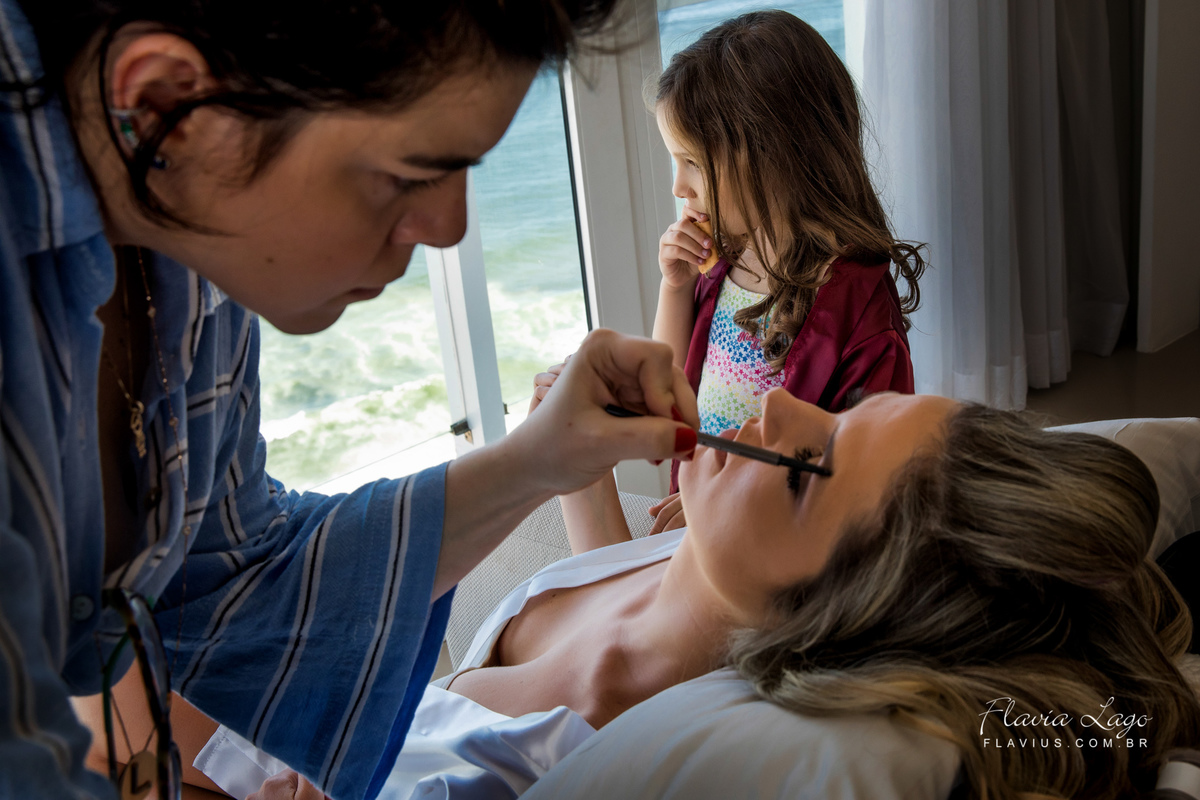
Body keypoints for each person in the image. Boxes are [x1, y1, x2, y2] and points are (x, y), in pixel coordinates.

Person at [0, 1, 703, 799]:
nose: (450, 228)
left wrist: (537, 460)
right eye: (408, 175)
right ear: (165, 103)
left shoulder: (191, 252)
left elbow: (230, 566)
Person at [198, 389, 1200, 799]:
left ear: (824, 614)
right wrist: (554, 470)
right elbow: (616, 599)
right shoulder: (678, 566)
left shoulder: (557, 752)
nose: (777, 400)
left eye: (808, 465)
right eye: (843, 410)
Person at [648, 10, 927, 525]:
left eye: (690, 161)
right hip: (701, 526)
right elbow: (665, 397)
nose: (678, 187)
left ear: (770, 155)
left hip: (775, 552)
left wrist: (722, 506)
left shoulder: (858, 311)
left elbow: (864, 477)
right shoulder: (719, 262)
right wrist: (674, 287)